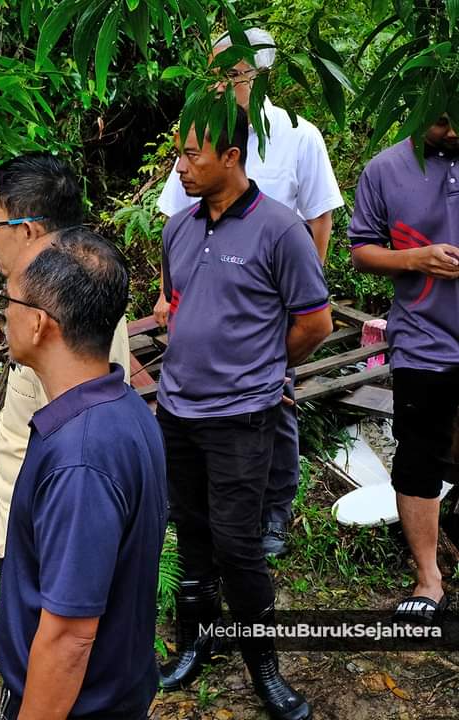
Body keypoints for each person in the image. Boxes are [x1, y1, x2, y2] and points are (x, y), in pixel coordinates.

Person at [156, 107, 331, 720]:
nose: (180, 168)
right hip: (177, 412)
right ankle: (194, 644)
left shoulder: (281, 231)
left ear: (232, 157)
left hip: (241, 417)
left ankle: (264, 666)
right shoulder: (178, 228)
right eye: (178, 156)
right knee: (193, 536)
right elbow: (174, 302)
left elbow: (316, 323)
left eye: (193, 157)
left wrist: (261, 367)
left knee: (239, 546)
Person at [153, 27, 344, 557]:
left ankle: (275, 507)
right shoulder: (198, 136)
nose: (225, 82)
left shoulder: (297, 134)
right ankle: (201, 511)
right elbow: (175, 216)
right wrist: (166, 295)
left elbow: (319, 217)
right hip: (213, 288)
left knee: (275, 401)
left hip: (274, 296)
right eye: (217, 71)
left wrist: (302, 294)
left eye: (235, 73)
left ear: (261, 75)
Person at [0, 227, 167, 720]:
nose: (4, 311)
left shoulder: (81, 458)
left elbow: (70, 635)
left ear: (39, 324)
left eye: (9, 299)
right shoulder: (125, 406)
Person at [0, 152, 132, 563]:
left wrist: (45, 560)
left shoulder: (71, 322)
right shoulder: (39, 305)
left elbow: (82, 454)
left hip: (47, 550)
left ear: (28, 231)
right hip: (26, 537)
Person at [348, 116, 459, 624]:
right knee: (419, 451)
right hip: (423, 338)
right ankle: (428, 578)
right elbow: (361, 251)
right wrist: (417, 259)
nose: (453, 128)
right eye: (443, 119)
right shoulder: (386, 168)